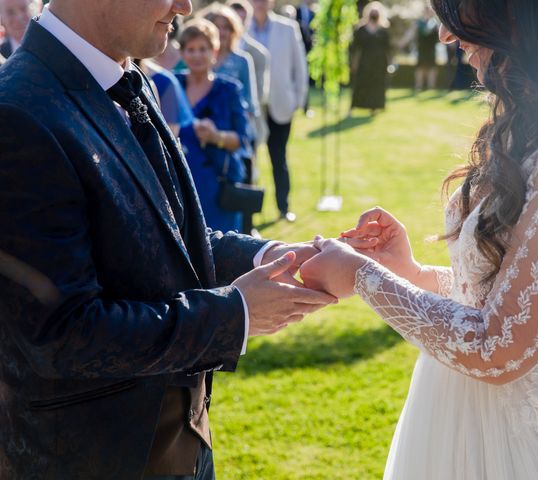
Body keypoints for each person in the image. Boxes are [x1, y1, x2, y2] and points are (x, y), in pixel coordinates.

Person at [301, 0, 538, 478]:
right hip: (476, 419)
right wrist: (412, 272)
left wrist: (362, 276)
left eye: (458, 10)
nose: (445, 35)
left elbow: (500, 345)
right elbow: (511, 298)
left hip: (532, 441)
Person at [0, 1, 335, 478]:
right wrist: (237, 314)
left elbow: (165, 234)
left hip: (186, 444)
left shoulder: (130, 77)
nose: (186, 5)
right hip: (98, 458)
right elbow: (62, 334)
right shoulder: (17, 113)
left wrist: (267, 255)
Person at [176, 19, 250, 234]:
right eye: (190, 49)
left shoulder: (229, 90)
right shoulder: (172, 85)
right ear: (182, 53)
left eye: (203, 49)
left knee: (222, 249)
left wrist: (216, 136)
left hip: (217, 185)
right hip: (179, 182)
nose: (197, 55)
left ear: (215, 51)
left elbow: (243, 140)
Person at [197, 3, 262, 236]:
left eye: (226, 27)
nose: (221, 31)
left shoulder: (241, 60)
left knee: (232, 193)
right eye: (217, 25)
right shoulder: (195, 55)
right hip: (198, 137)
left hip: (232, 135)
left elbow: (251, 103)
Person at [248, 0, 307, 223]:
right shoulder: (242, 27)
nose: (259, 3)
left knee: (279, 158)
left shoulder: (287, 27)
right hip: (253, 108)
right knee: (250, 160)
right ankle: (249, 214)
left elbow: (299, 65)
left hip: (281, 105)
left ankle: (284, 207)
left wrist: (297, 100)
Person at [348, 1, 391, 117]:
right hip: (364, 61)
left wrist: (389, 63)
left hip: (379, 62)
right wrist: (353, 63)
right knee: (360, 84)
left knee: (376, 85)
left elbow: (388, 48)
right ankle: (353, 107)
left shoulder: (383, 30)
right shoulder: (361, 29)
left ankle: (374, 107)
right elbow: (355, 48)